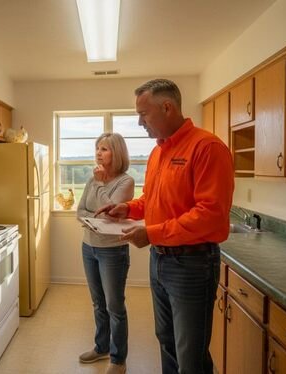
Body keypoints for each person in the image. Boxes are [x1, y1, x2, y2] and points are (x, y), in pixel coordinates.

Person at [96, 79, 234, 374]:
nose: (139, 122)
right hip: (160, 259)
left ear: (167, 107)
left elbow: (210, 214)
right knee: (167, 340)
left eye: (143, 114)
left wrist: (152, 233)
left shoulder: (207, 147)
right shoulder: (159, 152)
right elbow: (152, 199)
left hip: (192, 264)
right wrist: (127, 208)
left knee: (190, 354)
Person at [77, 133, 135, 374]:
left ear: (117, 153)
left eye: (104, 149)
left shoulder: (126, 182)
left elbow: (110, 214)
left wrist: (100, 186)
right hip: (88, 246)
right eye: (97, 148)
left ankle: (118, 358)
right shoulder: (92, 180)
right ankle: (101, 347)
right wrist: (94, 215)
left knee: (114, 305)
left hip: (112, 251)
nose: (98, 153)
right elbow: (80, 210)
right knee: (98, 302)